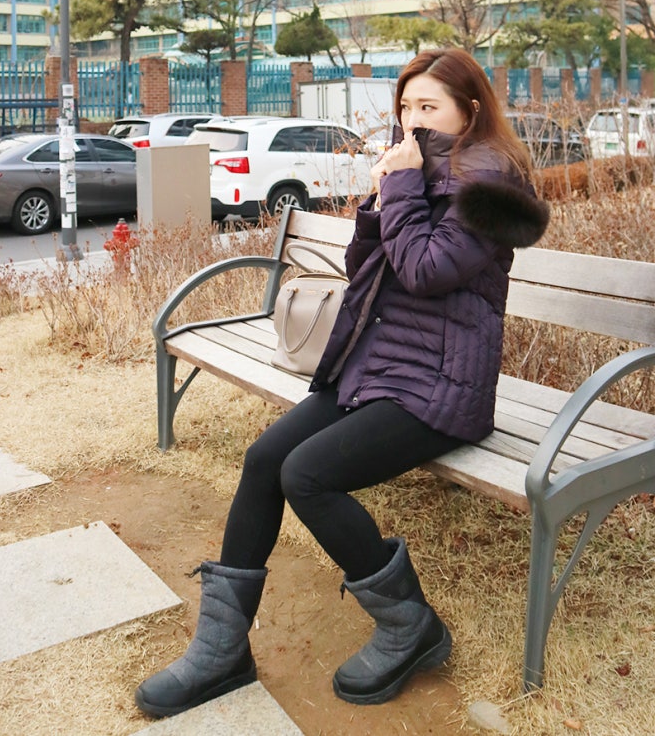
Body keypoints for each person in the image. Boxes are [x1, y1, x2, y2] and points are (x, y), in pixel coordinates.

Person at [135, 48, 549, 718]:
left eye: (429, 107)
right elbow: (366, 268)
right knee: (264, 459)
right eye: (406, 107)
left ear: (470, 112)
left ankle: (410, 625)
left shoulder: (490, 188)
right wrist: (378, 203)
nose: (413, 121)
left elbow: (424, 271)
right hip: (379, 368)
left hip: (442, 387)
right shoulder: (415, 173)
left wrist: (402, 188)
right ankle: (221, 650)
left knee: (307, 475)